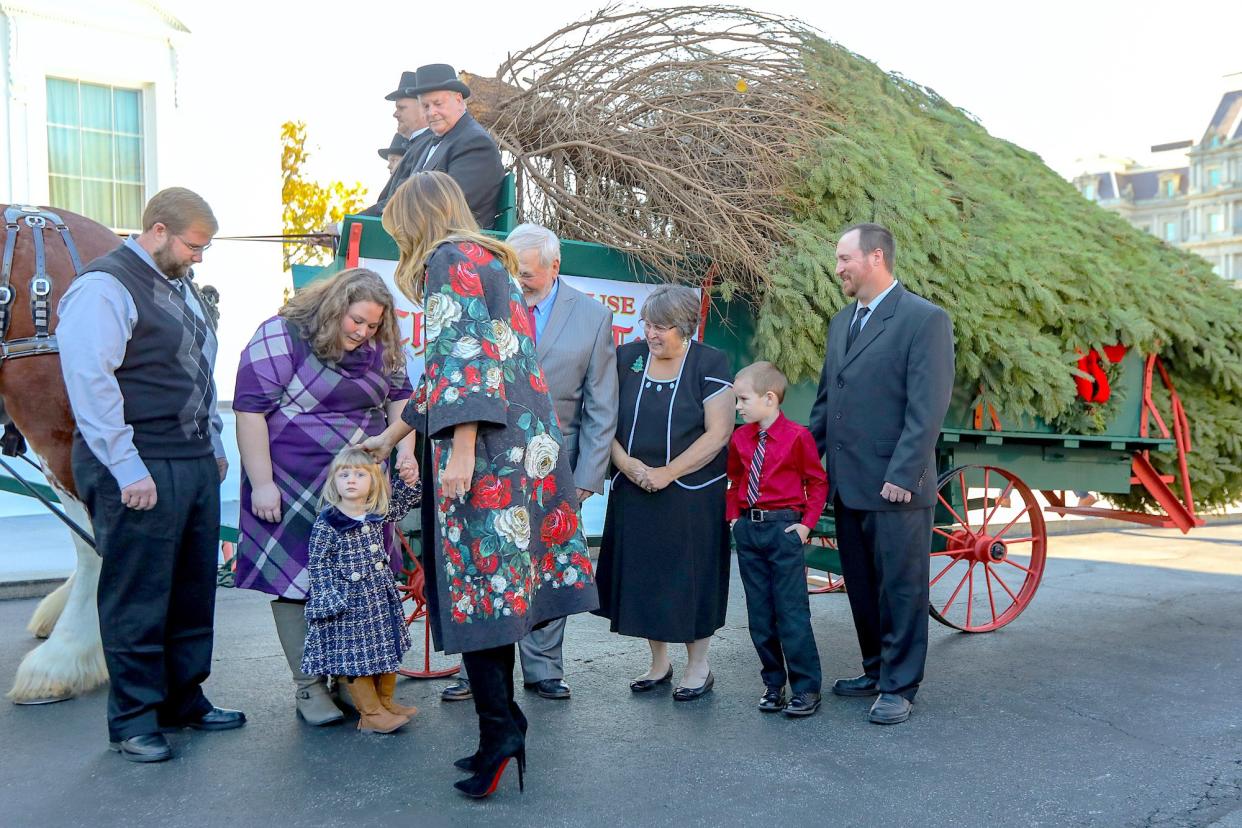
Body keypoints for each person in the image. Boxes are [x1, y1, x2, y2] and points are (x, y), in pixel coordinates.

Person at [364, 171, 598, 799]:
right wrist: (390, 440)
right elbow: (452, 371)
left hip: (489, 454)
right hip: (523, 452)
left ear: (418, 219)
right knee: (489, 596)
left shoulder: (448, 259)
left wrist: (462, 449)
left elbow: (465, 361)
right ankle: (502, 727)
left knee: (477, 594)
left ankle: (501, 731)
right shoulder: (484, 259)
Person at [58, 187, 243, 763]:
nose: (200, 258)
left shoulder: (180, 287)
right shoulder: (103, 287)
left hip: (187, 459)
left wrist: (212, 443)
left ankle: (182, 699)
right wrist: (124, 466)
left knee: (192, 590)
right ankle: (134, 718)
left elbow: (198, 372)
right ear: (158, 230)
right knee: (138, 595)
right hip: (136, 461)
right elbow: (91, 381)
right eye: (194, 245)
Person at [439, 223, 618, 703]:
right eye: (512, 271)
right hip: (490, 460)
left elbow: (601, 405)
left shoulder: (595, 317)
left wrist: (585, 478)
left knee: (547, 564)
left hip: (552, 465)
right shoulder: (490, 294)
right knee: (482, 565)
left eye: (529, 274)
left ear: (555, 266)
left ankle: (543, 669)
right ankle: (474, 670)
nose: (518, 282)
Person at [233, 268, 416, 727]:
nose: (363, 332)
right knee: (296, 582)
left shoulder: (384, 345)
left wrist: (402, 452)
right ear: (335, 307)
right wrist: (262, 483)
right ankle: (309, 687)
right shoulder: (281, 334)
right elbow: (249, 411)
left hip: (360, 483)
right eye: (356, 321)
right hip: (290, 482)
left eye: (373, 325)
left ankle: (350, 680)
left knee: (359, 580)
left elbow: (402, 399)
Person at [808, 222, 955, 725]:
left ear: (875, 258)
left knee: (901, 588)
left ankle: (900, 685)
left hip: (896, 485)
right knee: (863, 585)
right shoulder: (841, 322)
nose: (838, 269)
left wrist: (905, 471)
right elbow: (828, 404)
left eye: (844, 259)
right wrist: (808, 466)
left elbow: (927, 407)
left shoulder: (923, 319)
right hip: (849, 484)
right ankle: (874, 669)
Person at [595, 284, 735, 701]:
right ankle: (659, 663)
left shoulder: (710, 363)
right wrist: (625, 464)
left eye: (661, 328)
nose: (651, 335)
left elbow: (719, 433)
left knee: (689, 579)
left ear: (686, 327)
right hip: (634, 486)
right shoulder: (627, 358)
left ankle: (698, 666)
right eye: (648, 325)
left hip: (691, 492)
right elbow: (604, 419)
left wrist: (668, 473)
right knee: (644, 579)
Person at [727, 361, 828, 718]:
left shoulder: (798, 437)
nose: (737, 407)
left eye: (742, 399)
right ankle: (773, 684)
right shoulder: (740, 438)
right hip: (750, 532)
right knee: (760, 614)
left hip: (784, 529)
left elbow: (817, 483)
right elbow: (736, 481)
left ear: (769, 398)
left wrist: (805, 526)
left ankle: (806, 688)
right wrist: (734, 519)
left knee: (791, 613)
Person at [301, 447, 423, 734]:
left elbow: (405, 504)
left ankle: (385, 703)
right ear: (334, 482)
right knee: (356, 659)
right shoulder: (329, 523)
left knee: (385, 649)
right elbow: (318, 563)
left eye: (359, 474)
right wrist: (328, 597)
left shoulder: (375, 512)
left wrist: (408, 481)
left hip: (378, 598)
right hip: (349, 605)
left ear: (374, 481)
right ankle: (370, 714)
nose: (351, 480)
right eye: (344, 475)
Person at [402, 63, 505, 229]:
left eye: (438, 103)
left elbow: (447, 207)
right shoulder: (431, 142)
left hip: (455, 247)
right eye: (425, 106)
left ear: (458, 100)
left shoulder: (475, 143)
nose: (431, 112)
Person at [361, 70, 435, 217]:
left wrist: (345, 226)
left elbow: (398, 201)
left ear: (422, 107)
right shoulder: (417, 145)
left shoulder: (429, 145)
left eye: (401, 107)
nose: (395, 114)